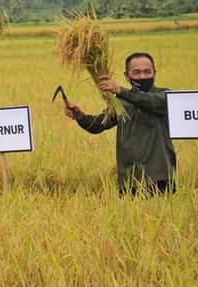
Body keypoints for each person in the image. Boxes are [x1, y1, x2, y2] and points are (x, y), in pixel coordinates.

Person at [63, 52, 177, 195]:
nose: (142, 76)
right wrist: (79, 115)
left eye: (147, 72)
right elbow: (98, 125)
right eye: (136, 72)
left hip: (160, 175)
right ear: (127, 75)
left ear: (155, 73)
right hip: (129, 178)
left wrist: (119, 90)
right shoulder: (121, 103)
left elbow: (150, 102)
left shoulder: (165, 96)